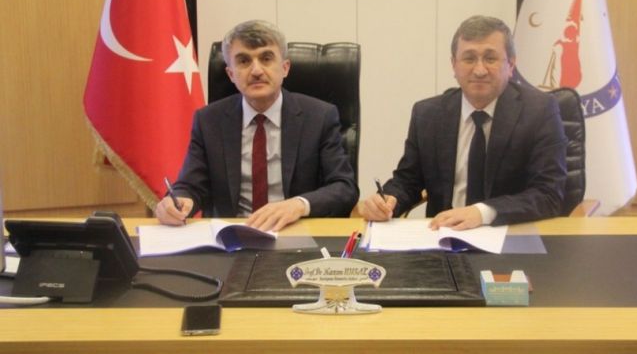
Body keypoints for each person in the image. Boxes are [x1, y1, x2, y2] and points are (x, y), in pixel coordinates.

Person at [360, 15, 567, 229]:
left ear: (511, 64)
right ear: (454, 65)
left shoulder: (539, 111)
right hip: (443, 235)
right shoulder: (428, 114)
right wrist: (388, 200)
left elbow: (548, 194)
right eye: (469, 59)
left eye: (490, 58)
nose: (479, 70)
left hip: (509, 234)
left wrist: (482, 212)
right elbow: (408, 180)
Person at [155, 20, 359, 231]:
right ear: (231, 74)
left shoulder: (319, 117)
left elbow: (344, 188)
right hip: (231, 236)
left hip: (294, 231)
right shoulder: (209, 121)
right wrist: (177, 201)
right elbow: (189, 186)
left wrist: (298, 205)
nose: (256, 71)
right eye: (244, 61)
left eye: (266, 58)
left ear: (285, 68)